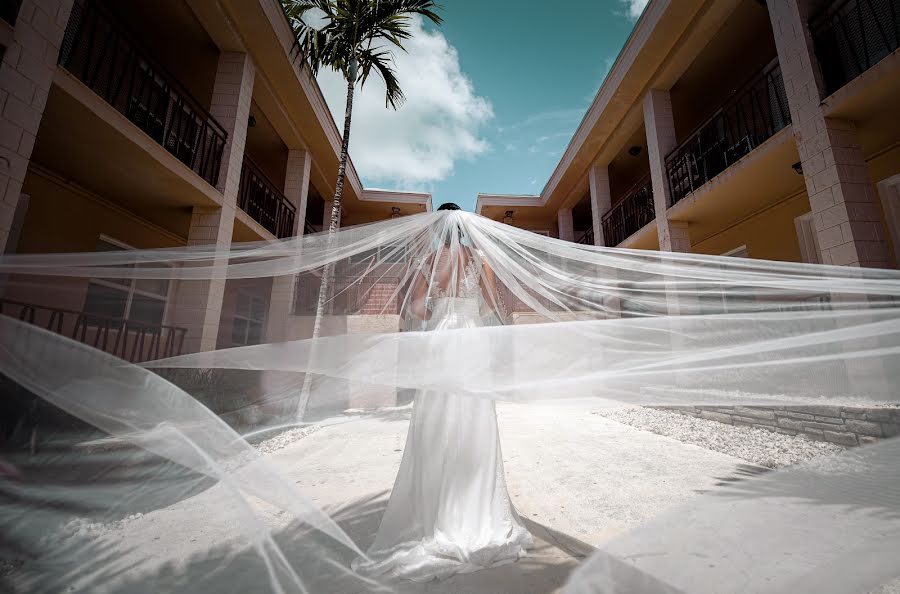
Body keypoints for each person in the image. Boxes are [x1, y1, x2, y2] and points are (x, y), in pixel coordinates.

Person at [351, 203, 533, 581]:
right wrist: (464, 305)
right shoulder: (479, 259)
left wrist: (437, 302)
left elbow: (416, 311)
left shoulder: (428, 260)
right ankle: (477, 508)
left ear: (438, 228)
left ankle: (433, 510)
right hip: (468, 338)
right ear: (465, 229)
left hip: (439, 338)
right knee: (474, 416)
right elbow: (488, 307)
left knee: (434, 419)